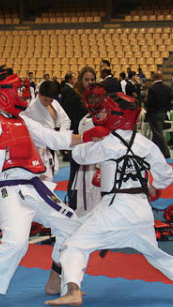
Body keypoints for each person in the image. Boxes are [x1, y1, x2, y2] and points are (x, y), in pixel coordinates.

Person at [45, 90, 173, 307]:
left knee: (74, 246)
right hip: (141, 211)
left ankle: (72, 291)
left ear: (115, 115)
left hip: (115, 209)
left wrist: (90, 137)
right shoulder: (145, 143)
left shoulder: (108, 142)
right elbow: (167, 176)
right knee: (158, 256)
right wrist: (154, 186)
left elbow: (78, 156)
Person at [0, 72, 83, 307]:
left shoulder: (22, 120)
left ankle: (57, 276)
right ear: (3, 93)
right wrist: (9, 155)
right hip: (9, 190)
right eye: (18, 90)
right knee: (16, 244)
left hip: (35, 187)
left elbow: (52, 137)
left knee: (72, 226)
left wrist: (87, 138)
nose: (23, 95)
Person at [61, 66, 96, 211]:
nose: (90, 82)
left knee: (91, 175)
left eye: (92, 79)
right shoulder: (73, 95)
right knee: (75, 173)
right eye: (87, 79)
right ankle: (74, 205)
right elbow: (68, 120)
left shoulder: (96, 96)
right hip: (77, 140)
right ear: (81, 80)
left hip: (92, 141)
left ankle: (90, 204)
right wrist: (67, 142)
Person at [21, 80, 71, 181]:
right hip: (36, 149)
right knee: (38, 179)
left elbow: (66, 120)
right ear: (39, 94)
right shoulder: (31, 108)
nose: (48, 102)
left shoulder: (55, 104)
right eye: (45, 100)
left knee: (49, 178)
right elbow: (23, 126)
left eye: (50, 100)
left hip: (51, 146)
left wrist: (60, 136)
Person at [145, 72, 173, 158]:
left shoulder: (152, 89)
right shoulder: (167, 88)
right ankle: (152, 150)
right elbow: (169, 102)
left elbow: (150, 103)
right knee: (156, 134)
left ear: (153, 78)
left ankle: (166, 153)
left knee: (158, 133)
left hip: (154, 114)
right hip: (163, 113)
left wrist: (147, 112)